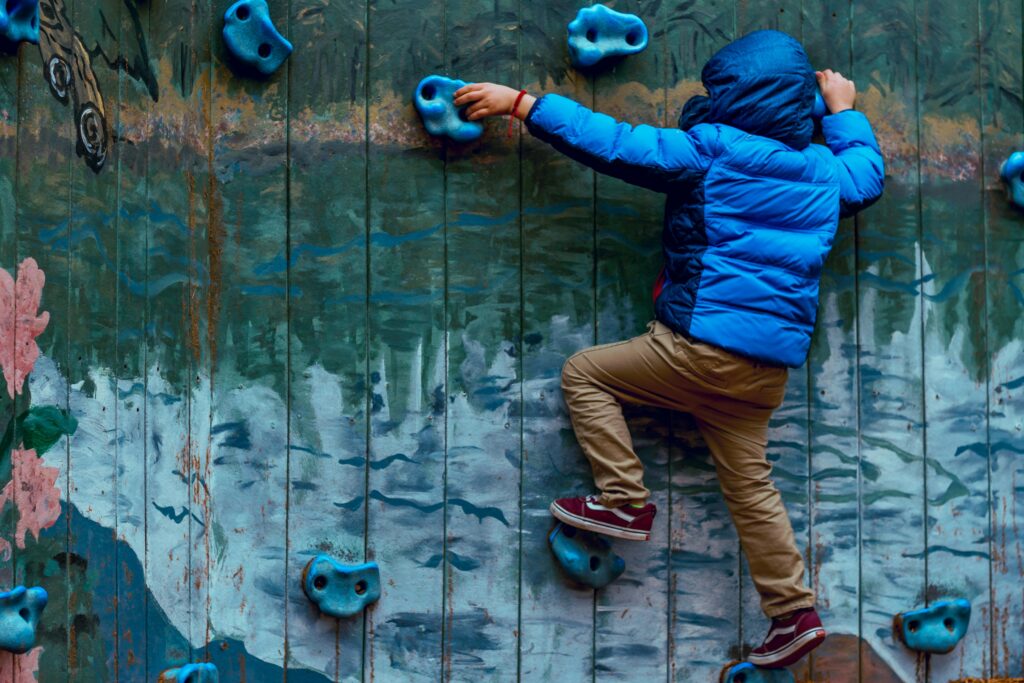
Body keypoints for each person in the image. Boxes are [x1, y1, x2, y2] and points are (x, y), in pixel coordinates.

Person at [454, 30, 884, 668]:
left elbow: (617, 144)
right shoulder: (826, 171)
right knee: (752, 488)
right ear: (801, 105)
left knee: (587, 375)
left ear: (730, 96)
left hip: (696, 349)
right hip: (764, 373)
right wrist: (845, 112)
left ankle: (625, 502)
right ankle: (793, 613)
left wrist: (523, 104)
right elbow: (866, 177)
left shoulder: (712, 150)